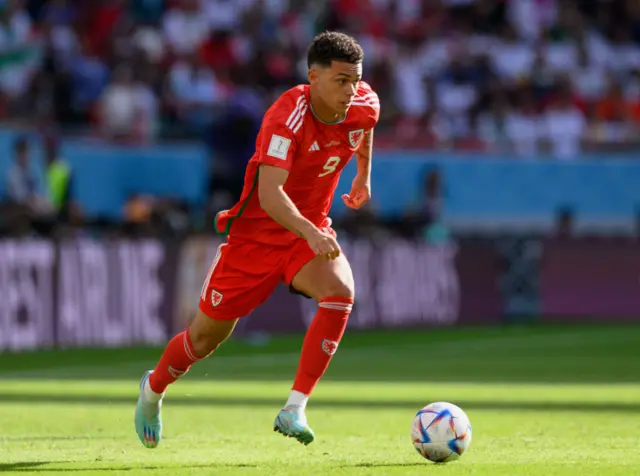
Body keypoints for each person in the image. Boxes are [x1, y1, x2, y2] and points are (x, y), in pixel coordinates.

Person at [135, 31, 380, 448]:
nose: (350, 90)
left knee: (340, 292)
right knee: (202, 340)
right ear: (313, 77)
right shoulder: (286, 117)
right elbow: (270, 195)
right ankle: (153, 390)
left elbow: (364, 129)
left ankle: (295, 407)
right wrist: (310, 231)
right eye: (341, 80)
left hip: (309, 230)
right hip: (257, 237)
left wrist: (362, 175)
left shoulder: (364, 103)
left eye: (355, 79)